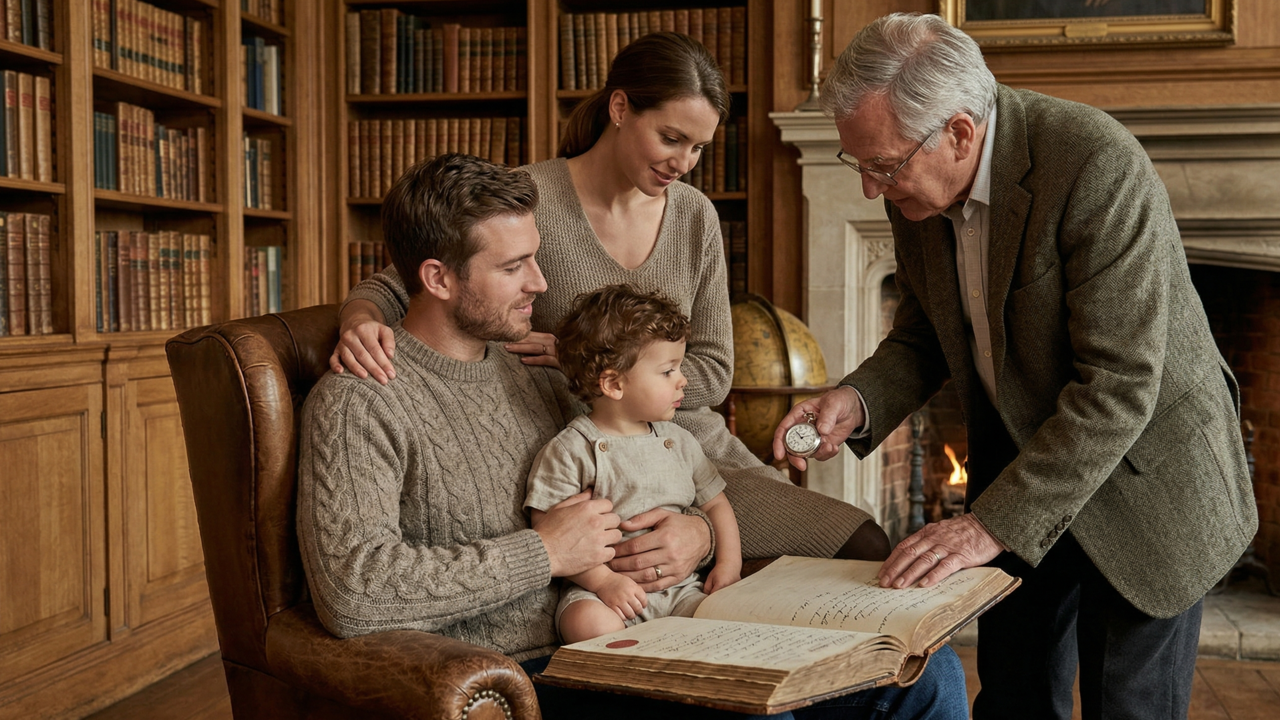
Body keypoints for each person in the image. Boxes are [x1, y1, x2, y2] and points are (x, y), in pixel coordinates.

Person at [299, 153, 967, 719]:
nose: (541, 283)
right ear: (437, 278)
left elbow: (647, 463)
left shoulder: (532, 370)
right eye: (513, 268)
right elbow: (354, 590)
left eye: (536, 258)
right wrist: (543, 553)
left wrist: (700, 534)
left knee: (925, 674)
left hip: (651, 629)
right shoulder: (361, 402)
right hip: (535, 669)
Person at [772, 13, 1257, 720]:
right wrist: (855, 398)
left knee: (1131, 707)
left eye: (884, 165)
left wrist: (984, 527)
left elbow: (1119, 388)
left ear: (960, 132)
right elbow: (923, 335)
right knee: (1013, 698)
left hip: (1146, 478)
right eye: (862, 165)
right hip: (1024, 465)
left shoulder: (1093, 162)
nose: (874, 190)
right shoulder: (919, 195)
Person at [333, 32, 890, 594]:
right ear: (620, 108)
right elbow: (415, 280)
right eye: (671, 138)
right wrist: (359, 318)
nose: (684, 163)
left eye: (699, 148)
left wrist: (601, 363)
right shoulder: (530, 198)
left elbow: (717, 372)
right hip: (590, 448)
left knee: (865, 546)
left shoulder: (694, 216)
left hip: (686, 445)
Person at [527, 284, 742, 643]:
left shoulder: (681, 442)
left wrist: (728, 566)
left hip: (680, 589)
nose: (682, 380)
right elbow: (550, 531)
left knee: (726, 619)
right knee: (586, 623)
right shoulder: (570, 449)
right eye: (667, 371)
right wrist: (604, 581)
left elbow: (717, 503)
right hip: (602, 592)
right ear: (613, 384)